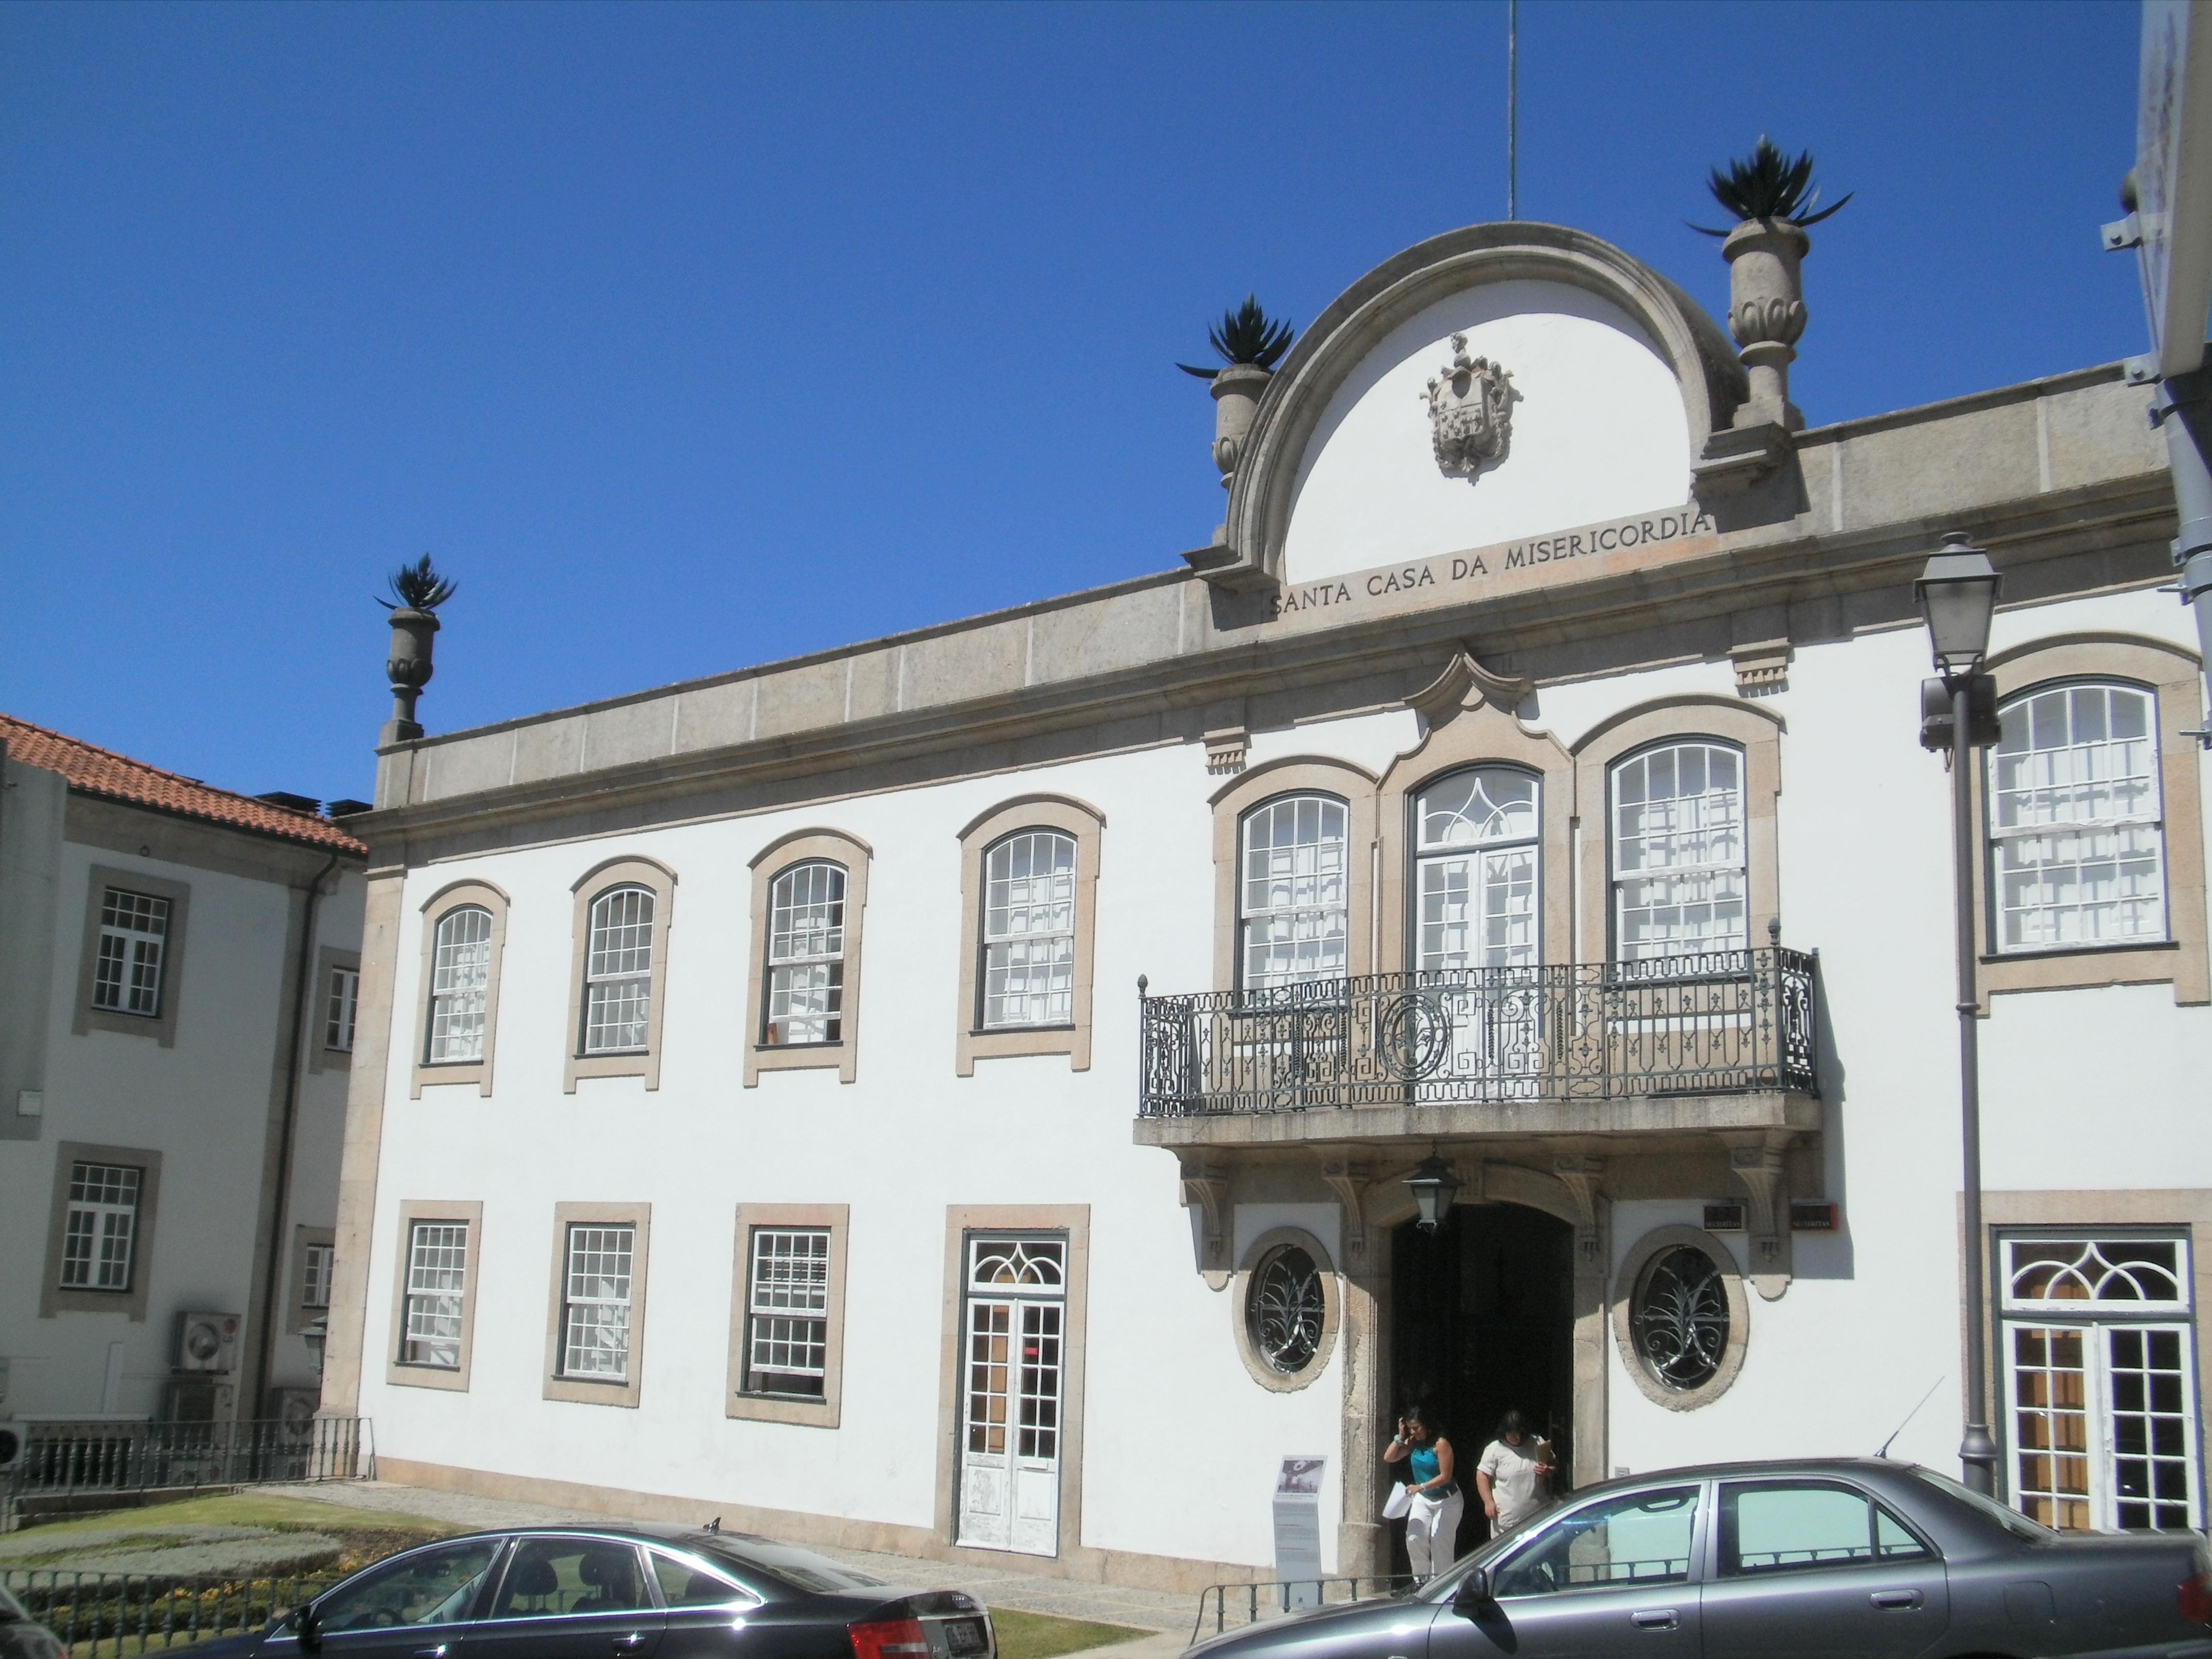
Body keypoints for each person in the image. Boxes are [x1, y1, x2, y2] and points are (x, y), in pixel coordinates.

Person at [1382, 1405, 1462, 1580]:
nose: (1414, 1432)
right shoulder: (1413, 1443)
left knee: (1439, 1542)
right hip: (1424, 1499)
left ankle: (1442, 1583)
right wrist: (1400, 1437)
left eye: (1416, 1428)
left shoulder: (1441, 1444)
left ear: (1427, 1425)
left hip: (1447, 1500)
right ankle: (1421, 1581)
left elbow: (1445, 1476)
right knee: (1414, 1538)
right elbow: (1389, 1458)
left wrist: (1422, 1486)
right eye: (1410, 1428)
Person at [1474, 1409, 1556, 1537]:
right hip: (1507, 1519)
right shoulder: (1495, 1449)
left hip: (1537, 1515)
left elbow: (1553, 1466)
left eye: (1519, 1433)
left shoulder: (1537, 1442)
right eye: (1511, 1434)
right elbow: (1482, 1475)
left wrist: (1548, 1470)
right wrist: (1488, 1502)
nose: (1516, 1438)